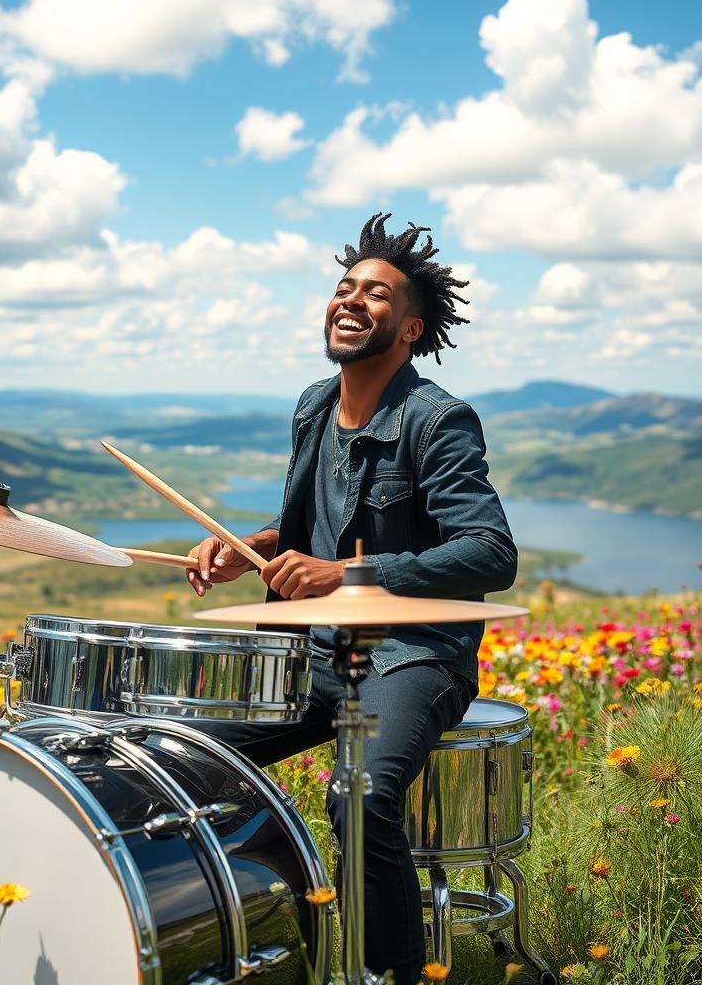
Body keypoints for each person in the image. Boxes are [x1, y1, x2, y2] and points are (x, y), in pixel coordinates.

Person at [186, 213, 517, 983]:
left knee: (359, 794)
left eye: (374, 293)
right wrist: (251, 551)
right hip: (315, 653)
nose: (351, 299)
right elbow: (305, 530)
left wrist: (354, 578)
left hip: (412, 654)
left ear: (408, 328)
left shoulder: (436, 419)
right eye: (344, 288)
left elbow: (490, 551)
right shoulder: (312, 407)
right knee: (181, 756)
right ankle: (240, 942)